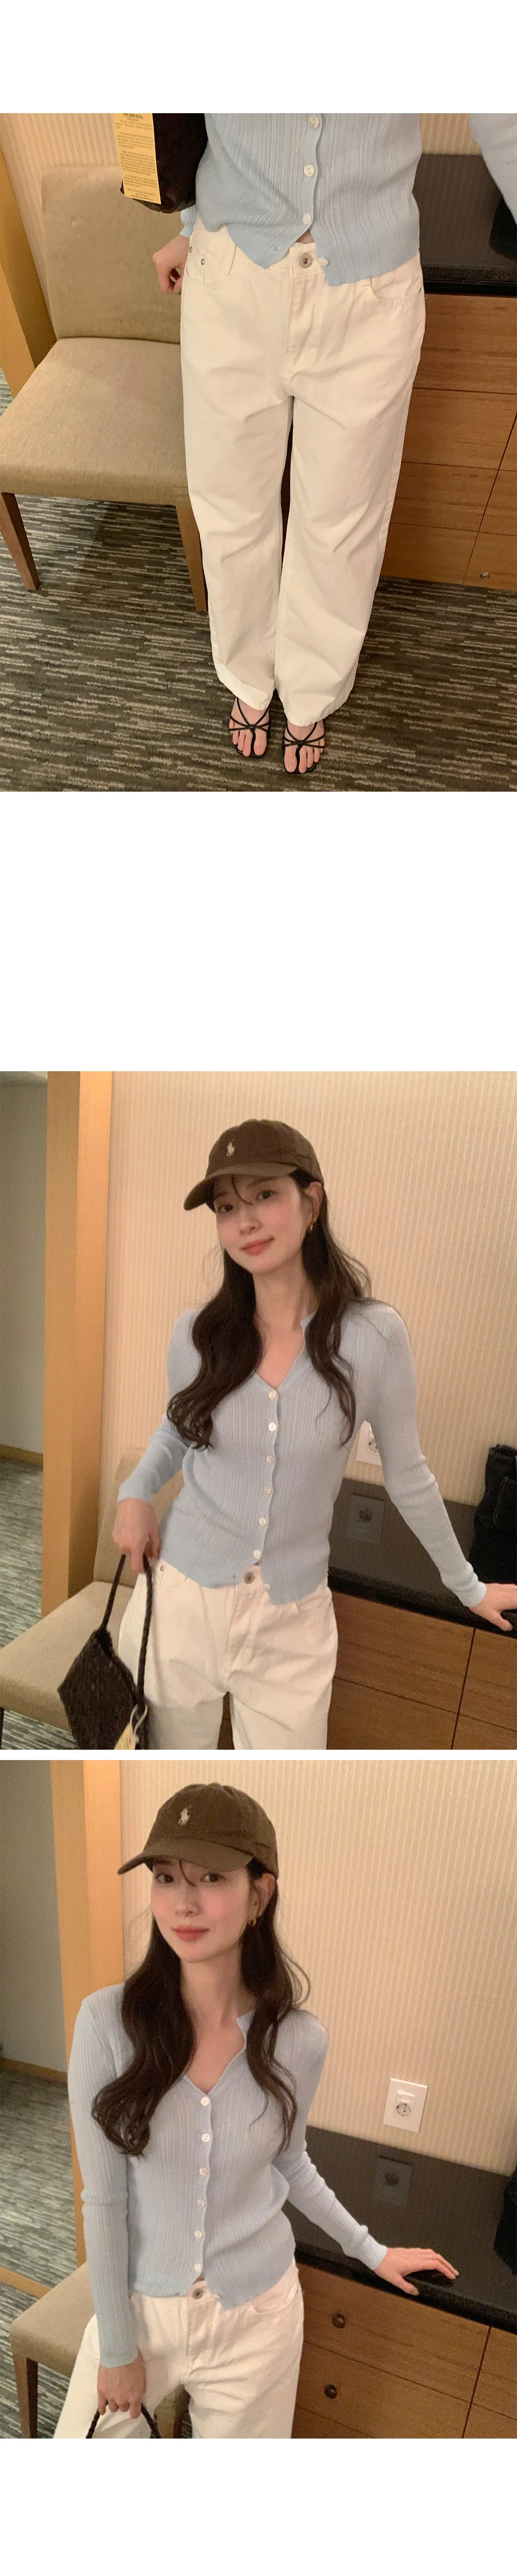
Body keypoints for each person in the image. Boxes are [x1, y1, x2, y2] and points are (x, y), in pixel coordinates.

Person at [54, 1783, 458, 2439]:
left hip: (259, 2319)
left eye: (211, 1877)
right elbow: (102, 2199)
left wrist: (371, 2250)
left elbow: (291, 2162)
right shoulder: (106, 2024)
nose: (182, 1902)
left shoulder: (298, 2040)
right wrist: (119, 2348)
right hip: (140, 2309)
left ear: (259, 1894)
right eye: (165, 1877)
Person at [112, 1119, 516, 1752]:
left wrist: (467, 1586)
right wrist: (135, 1493)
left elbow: (409, 1474)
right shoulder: (197, 1333)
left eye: (264, 1195)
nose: (245, 1221)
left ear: (311, 1201)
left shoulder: (374, 1336)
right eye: (226, 1207)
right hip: (180, 1601)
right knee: (165, 1760)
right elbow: (176, 1430)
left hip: (293, 1620)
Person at [152, 114, 517, 777]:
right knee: (231, 506)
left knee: (342, 519)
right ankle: (247, 674)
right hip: (231, 268)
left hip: (369, 284)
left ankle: (312, 686)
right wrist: (188, 223)